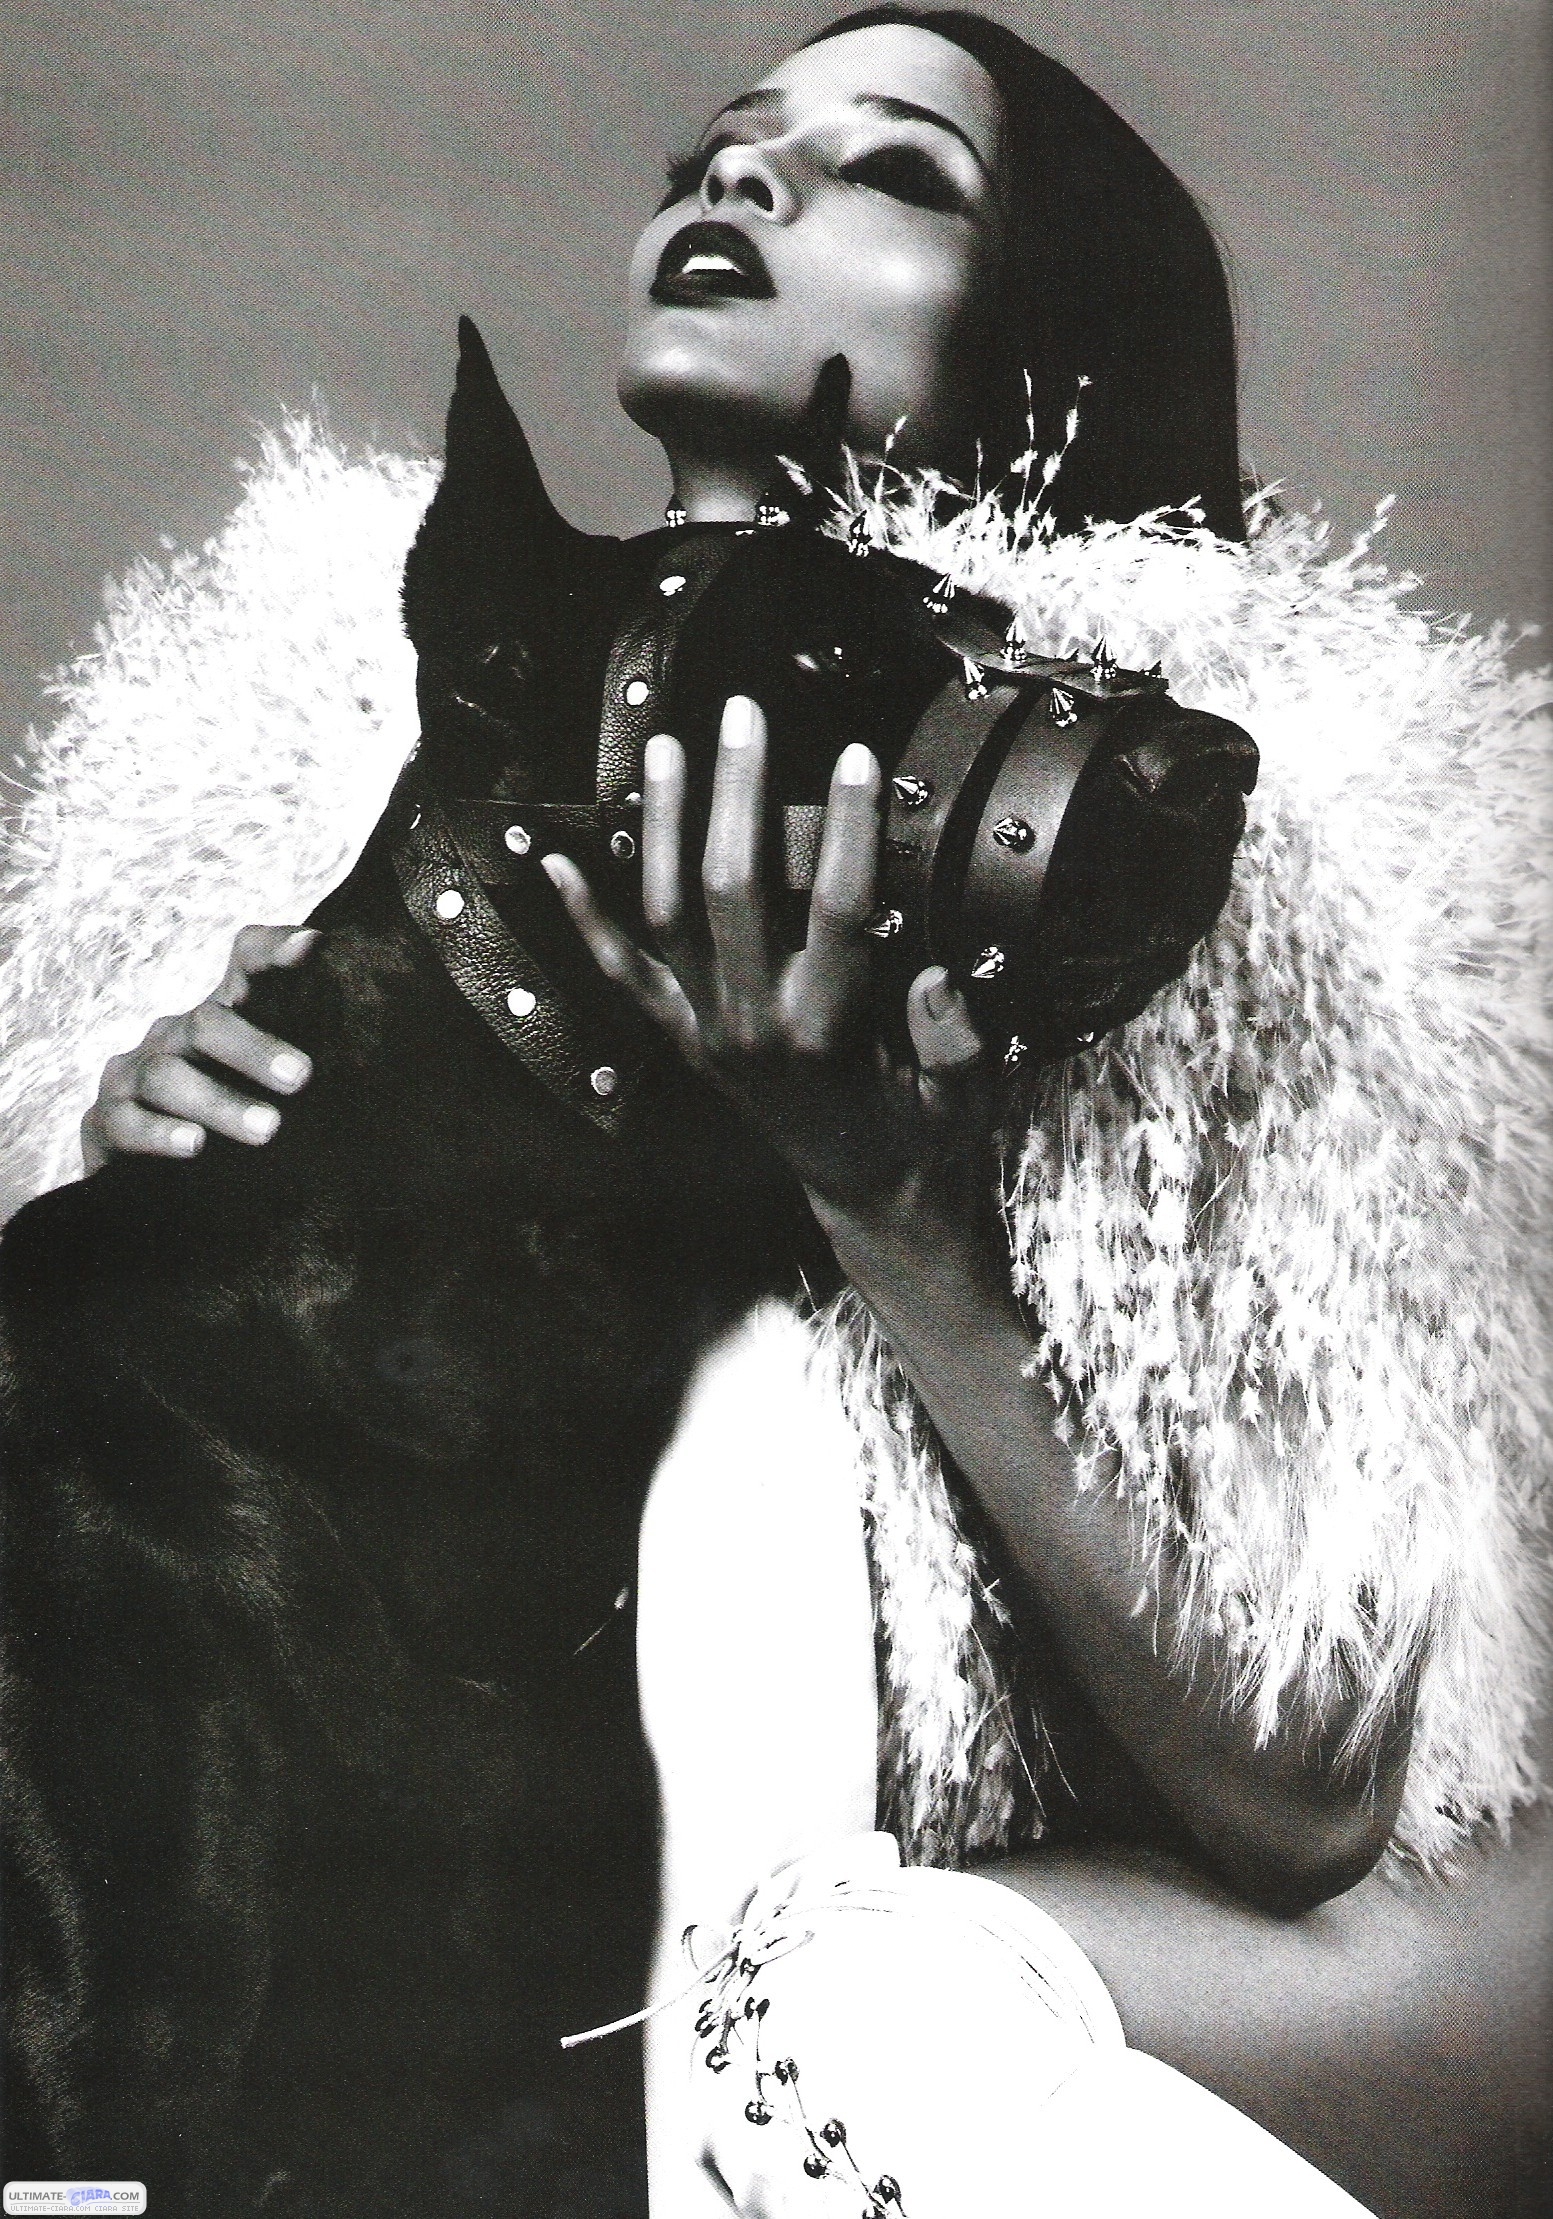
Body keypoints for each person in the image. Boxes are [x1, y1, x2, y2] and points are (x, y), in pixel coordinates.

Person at [5, 11, 1544, 2218]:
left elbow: (1305, 1800)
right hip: (506, 1977)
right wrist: (189, 1181)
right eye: (716, 150)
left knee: (811, 2003)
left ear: (1052, 339)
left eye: (895, 169)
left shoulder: (1175, 862)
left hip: (1045, 1983)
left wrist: (882, 1192)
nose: (740, 182)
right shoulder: (369, 776)